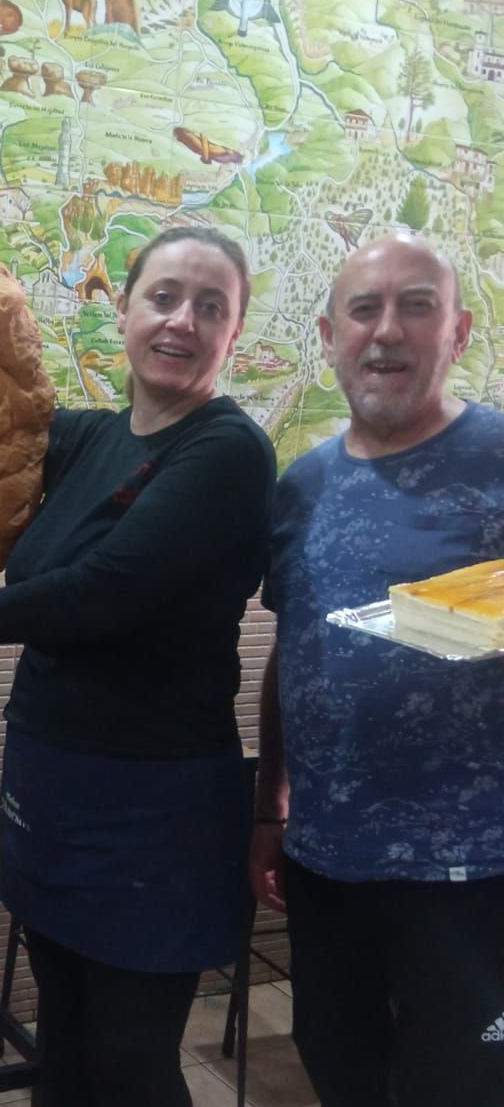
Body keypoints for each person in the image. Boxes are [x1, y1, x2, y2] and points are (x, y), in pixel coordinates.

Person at [0, 227, 277, 1106]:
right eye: (164, 296)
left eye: (211, 306)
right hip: (54, 776)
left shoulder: (225, 451)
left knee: (129, 1061)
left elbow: (101, 592)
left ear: (235, 333)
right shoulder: (82, 438)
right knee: (61, 1044)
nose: (182, 320)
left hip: (156, 805)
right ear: (125, 309)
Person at [249, 232, 504, 1107]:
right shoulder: (301, 486)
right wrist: (268, 805)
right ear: (328, 335)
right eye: (365, 309)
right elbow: (297, 651)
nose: (387, 331)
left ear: (460, 332)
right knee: (341, 1074)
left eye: (417, 306)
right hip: (329, 867)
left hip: (475, 878)